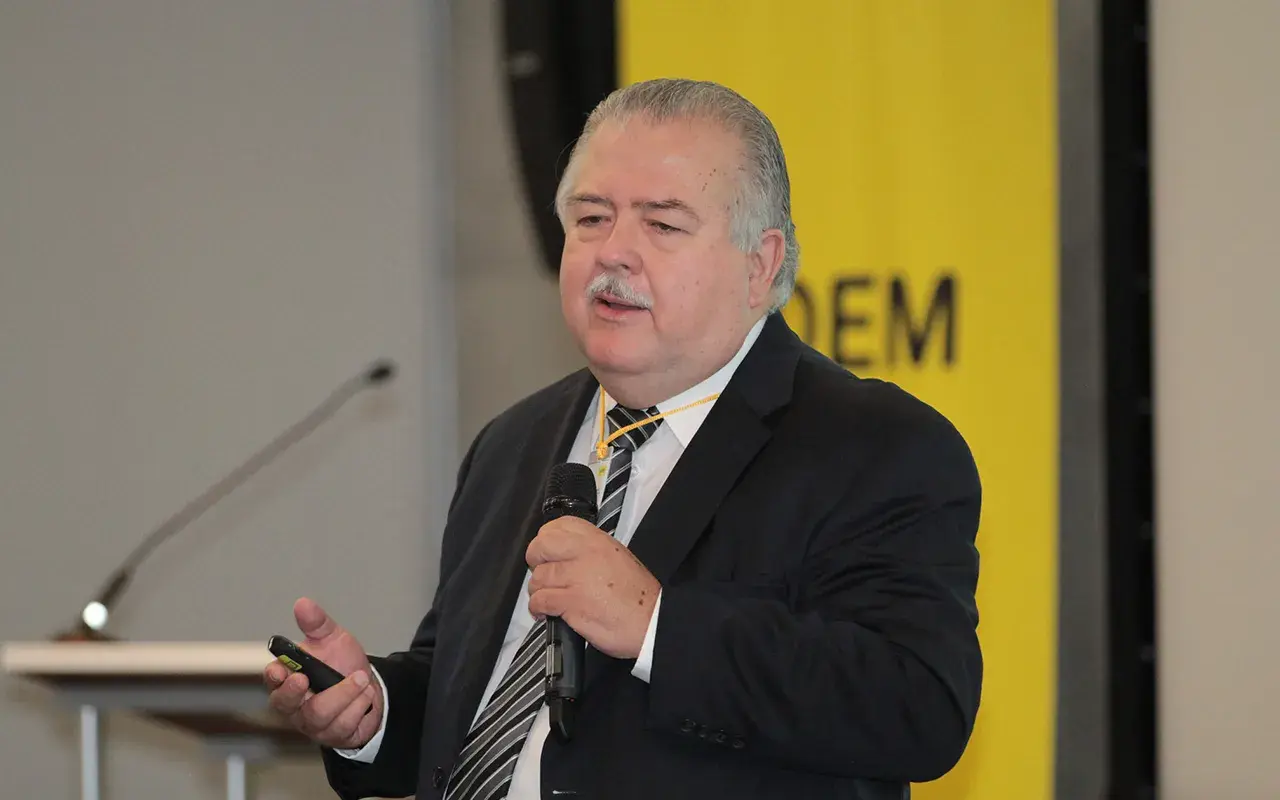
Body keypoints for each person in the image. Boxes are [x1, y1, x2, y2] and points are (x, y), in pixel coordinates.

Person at [263, 77, 982, 800]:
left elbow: (917, 706)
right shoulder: (511, 444)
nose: (614, 253)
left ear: (759, 265)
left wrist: (657, 628)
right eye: (591, 218)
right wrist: (374, 711)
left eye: (662, 225)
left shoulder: (874, 446)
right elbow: (469, 694)